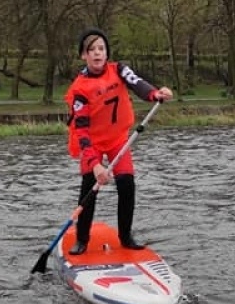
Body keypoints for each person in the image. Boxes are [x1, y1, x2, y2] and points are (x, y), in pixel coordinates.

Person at [65, 28, 173, 254]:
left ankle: (125, 237)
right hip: (92, 142)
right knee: (89, 186)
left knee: (126, 184)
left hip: (117, 140)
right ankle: (82, 239)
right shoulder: (79, 90)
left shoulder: (120, 70)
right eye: (91, 50)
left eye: (101, 48)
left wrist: (155, 94)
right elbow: (81, 132)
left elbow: (138, 83)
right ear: (84, 55)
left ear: (107, 53)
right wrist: (96, 166)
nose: (97, 53)